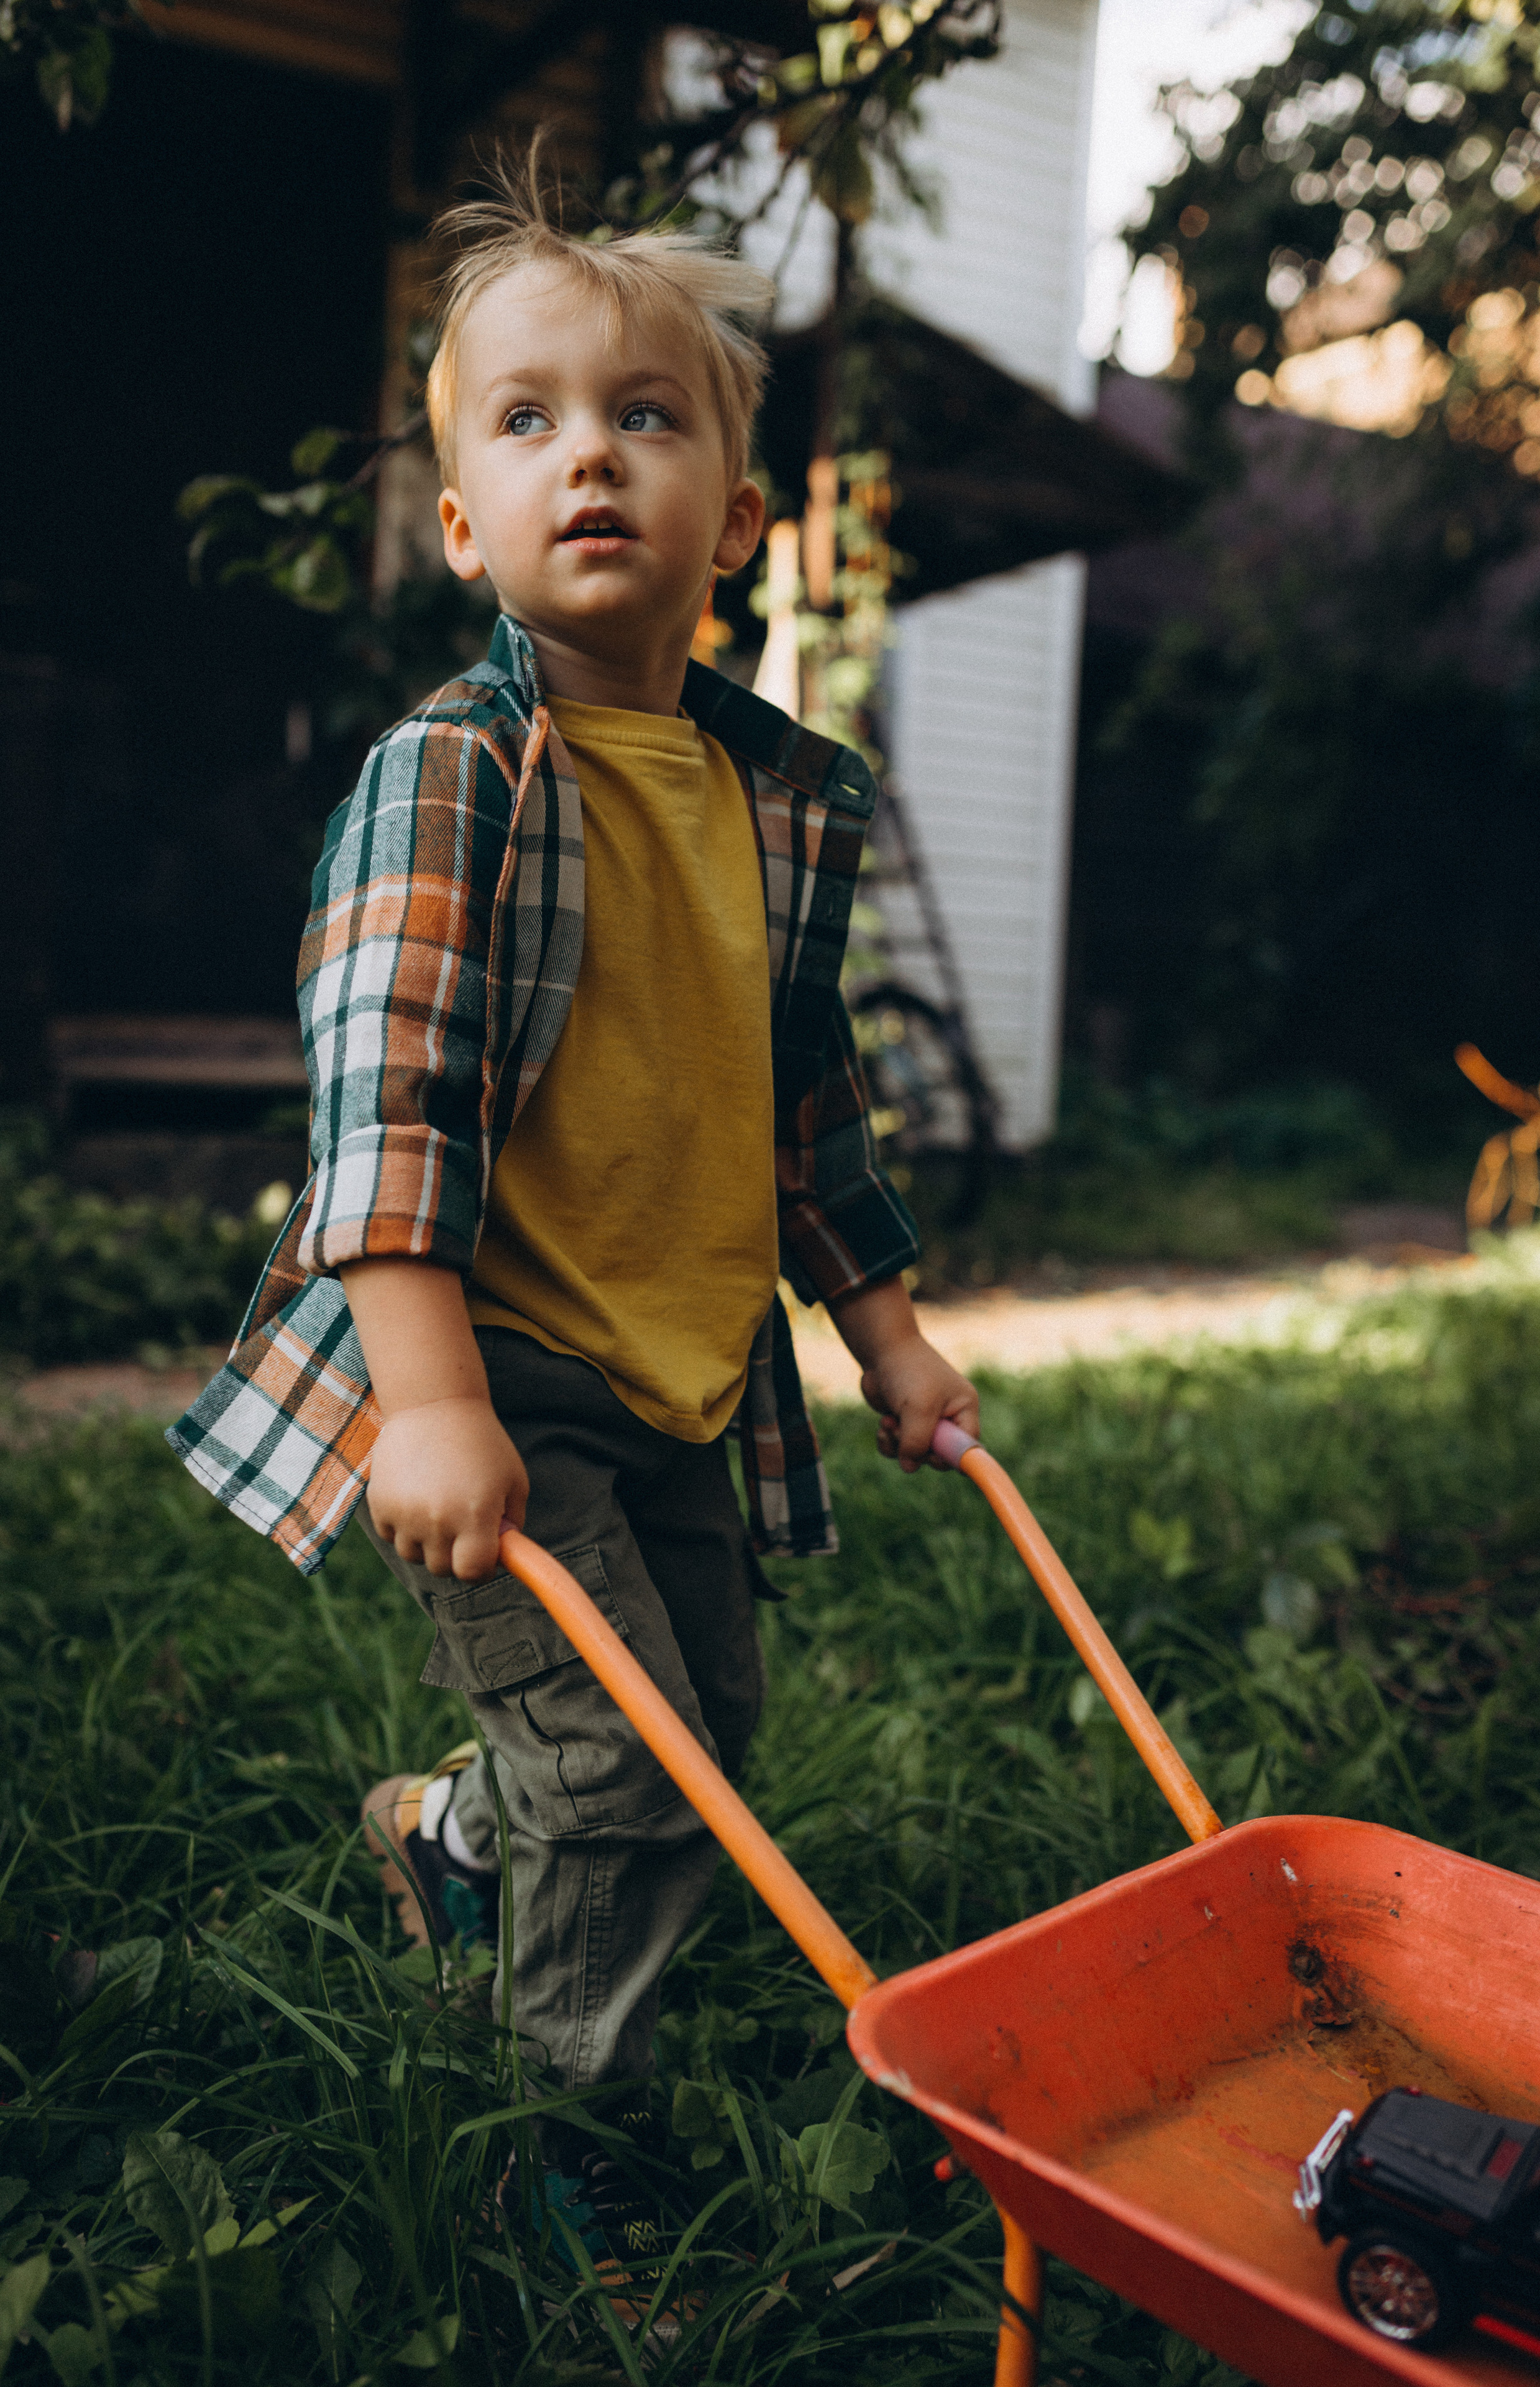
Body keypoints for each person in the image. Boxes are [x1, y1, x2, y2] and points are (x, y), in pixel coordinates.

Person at [168, 154, 979, 2278]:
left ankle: (445, 1834)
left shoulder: (774, 794)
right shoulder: (454, 777)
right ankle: (557, 2142)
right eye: (524, 423)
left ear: (736, 504)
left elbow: (810, 1098)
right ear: (462, 528)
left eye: (644, 414)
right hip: (497, 1363)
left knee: (714, 1728)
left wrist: (883, 1328)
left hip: (685, 1361)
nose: (588, 456)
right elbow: (386, 1103)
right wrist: (424, 1394)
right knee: (632, 1791)